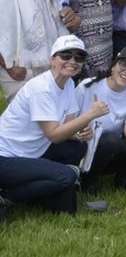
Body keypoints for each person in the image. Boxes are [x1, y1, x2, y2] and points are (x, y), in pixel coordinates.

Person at [0, 36, 109, 216]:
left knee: (77, 147)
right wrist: (90, 114)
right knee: (67, 176)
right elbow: (55, 135)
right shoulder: (41, 88)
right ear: (53, 60)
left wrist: (82, 133)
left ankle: (43, 190)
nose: (72, 61)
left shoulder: (68, 84)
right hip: (5, 157)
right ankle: (8, 197)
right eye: (65, 55)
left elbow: (68, 127)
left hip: (30, 150)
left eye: (79, 57)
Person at [76, 46, 126, 194]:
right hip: (83, 146)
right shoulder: (88, 85)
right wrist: (86, 121)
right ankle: (88, 182)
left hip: (112, 147)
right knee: (111, 140)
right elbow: (68, 120)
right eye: (124, 64)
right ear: (113, 66)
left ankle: (123, 178)